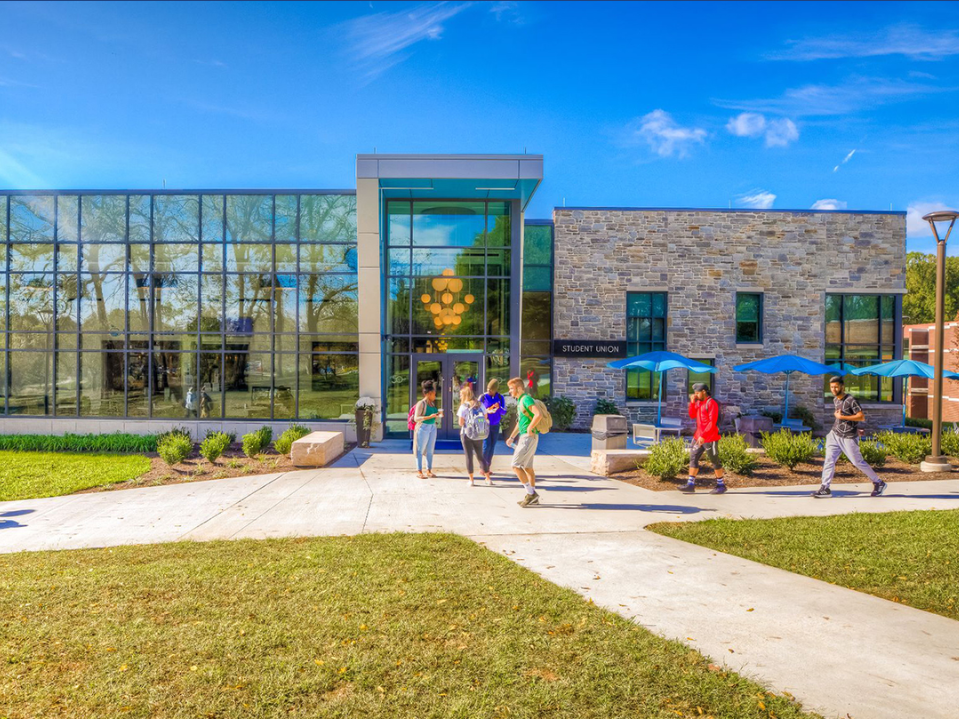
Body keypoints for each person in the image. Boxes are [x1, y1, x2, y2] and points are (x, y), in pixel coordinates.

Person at [812, 376, 887, 498]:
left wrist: (844, 419)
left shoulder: (851, 400)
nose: (834, 389)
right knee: (829, 460)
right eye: (831, 387)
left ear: (842, 386)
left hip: (848, 437)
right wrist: (850, 424)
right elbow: (843, 417)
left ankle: (879, 483)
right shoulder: (836, 400)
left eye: (836, 386)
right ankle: (825, 488)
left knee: (857, 462)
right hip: (834, 434)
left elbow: (861, 416)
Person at [680, 383, 726, 494]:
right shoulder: (699, 403)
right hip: (698, 437)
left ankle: (721, 485)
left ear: (704, 391)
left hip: (710, 438)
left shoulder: (712, 403)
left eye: (697, 393)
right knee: (693, 458)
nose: (695, 395)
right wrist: (692, 403)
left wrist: (703, 436)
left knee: (714, 461)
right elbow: (692, 415)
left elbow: (712, 422)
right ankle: (690, 484)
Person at [505, 376, 543, 507]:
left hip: (528, 437)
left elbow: (538, 414)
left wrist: (531, 428)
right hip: (526, 436)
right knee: (528, 468)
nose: (510, 391)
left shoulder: (526, 399)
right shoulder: (521, 401)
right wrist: (511, 437)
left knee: (515, 466)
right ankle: (533, 497)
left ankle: (531, 494)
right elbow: (520, 422)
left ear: (519, 388)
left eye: (511, 389)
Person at [457, 385, 492, 487]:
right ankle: (488, 478)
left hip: (466, 434)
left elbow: (460, 423)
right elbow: (485, 418)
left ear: (464, 395)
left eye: (460, 395)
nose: (459, 397)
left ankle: (471, 480)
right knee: (480, 456)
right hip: (479, 433)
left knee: (469, 456)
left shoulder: (464, 406)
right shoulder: (481, 405)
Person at [412, 380, 442, 479]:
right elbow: (416, 418)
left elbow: (433, 416)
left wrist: (437, 415)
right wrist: (429, 417)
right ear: (429, 394)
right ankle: (419, 471)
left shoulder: (432, 404)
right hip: (423, 427)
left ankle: (429, 470)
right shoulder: (421, 403)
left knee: (430, 450)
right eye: (434, 394)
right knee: (419, 450)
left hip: (432, 427)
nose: (435, 395)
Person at [480, 378, 507, 471]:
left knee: (492, 446)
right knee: (486, 445)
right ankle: (482, 468)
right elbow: (478, 410)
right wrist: (487, 410)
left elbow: (504, 412)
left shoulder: (500, 398)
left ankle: (488, 466)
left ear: (495, 390)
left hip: (495, 424)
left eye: (491, 390)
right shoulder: (483, 397)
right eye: (487, 389)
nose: (488, 391)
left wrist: (499, 408)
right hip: (485, 424)